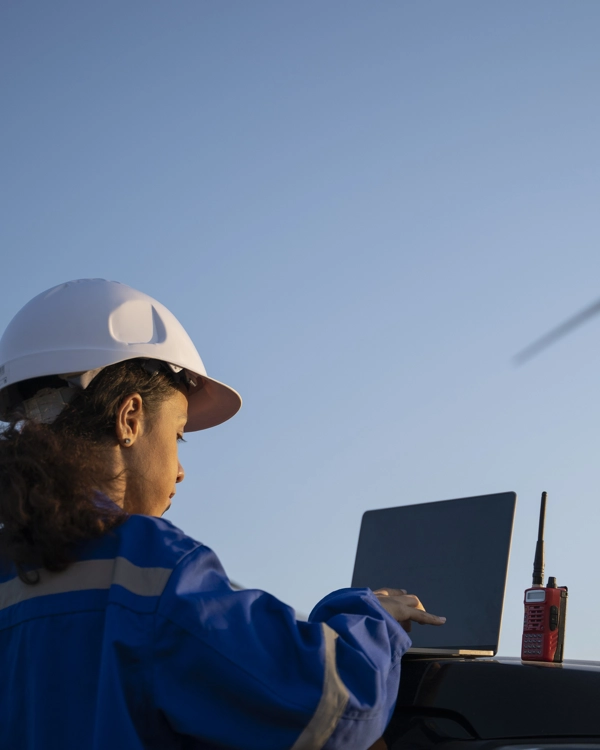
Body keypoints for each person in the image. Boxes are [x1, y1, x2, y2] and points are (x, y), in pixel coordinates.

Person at [0, 279, 445, 750]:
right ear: (130, 418)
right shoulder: (149, 570)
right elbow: (340, 704)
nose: (181, 471)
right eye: (177, 436)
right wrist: (369, 615)